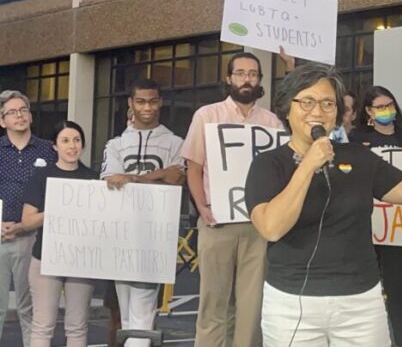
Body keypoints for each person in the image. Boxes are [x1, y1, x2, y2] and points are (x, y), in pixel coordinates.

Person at [244, 64, 402, 346]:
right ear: (286, 109)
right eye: (307, 102)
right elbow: (271, 227)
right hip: (291, 305)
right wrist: (307, 165)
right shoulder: (267, 164)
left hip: (360, 303)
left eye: (328, 103)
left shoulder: (358, 157)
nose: (318, 111)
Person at [181, 51, 284, 347]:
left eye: (252, 74)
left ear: (260, 80)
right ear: (229, 78)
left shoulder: (271, 122)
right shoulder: (207, 115)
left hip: (256, 226)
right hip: (217, 222)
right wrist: (202, 206)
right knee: (213, 303)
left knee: (252, 307)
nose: (246, 79)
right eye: (240, 73)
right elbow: (194, 168)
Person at [100, 79, 185, 347]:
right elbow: (111, 181)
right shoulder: (115, 144)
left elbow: (176, 179)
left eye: (152, 101)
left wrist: (133, 178)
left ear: (160, 102)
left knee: (143, 314)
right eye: (140, 101)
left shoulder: (175, 142)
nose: (147, 107)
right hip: (120, 236)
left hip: (154, 237)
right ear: (131, 103)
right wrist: (158, 175)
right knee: (124, 315)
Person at [349, 85, 402, 346]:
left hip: (401, 227)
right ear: (368, 111)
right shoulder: (357, 139)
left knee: (398, 289)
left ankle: (401, 341)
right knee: (366, 290)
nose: (386, 110)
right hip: (366, 226)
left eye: (390, 104)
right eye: (380, 107)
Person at [21, 121, 97, 347]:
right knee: (43, 325)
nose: (72, 146)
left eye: (76, 140)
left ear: (82, 144)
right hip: (45, 258)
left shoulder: (93, 179)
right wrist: (55, 210)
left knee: (77, 326)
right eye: (65, 141)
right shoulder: (41, 177)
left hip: (81, 259)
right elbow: (27, 221)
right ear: (54, 146)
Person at [0, 90, 56, 347]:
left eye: (23, 110)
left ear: (31, 116)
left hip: (33, 237)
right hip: (0, 235)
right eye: (12, 112)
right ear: (2, 121)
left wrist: (25, 225)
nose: (19, 115)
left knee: (29, 308)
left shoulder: (48, 149)